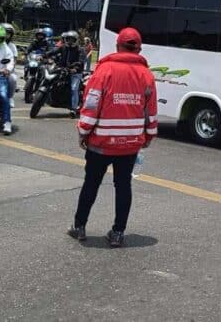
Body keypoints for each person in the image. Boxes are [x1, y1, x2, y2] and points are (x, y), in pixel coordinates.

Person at [67, 27, 158, 247]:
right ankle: (118, 233)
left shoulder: (104, 70)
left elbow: (91, 103)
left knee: (91, 184)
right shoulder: (147, 75)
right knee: (123, 186)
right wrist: (149, 135)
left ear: (117, 45)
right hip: (129, 145)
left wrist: (83, 131)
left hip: (101, 142)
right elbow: (151, 111)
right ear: (139, 48)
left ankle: (79, 227)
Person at [46, 31, 85, 117]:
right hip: (62, 69)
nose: (70, 41)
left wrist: (75, 68)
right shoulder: (63, 47)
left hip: (75, 72)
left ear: (76, 40)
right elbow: (54, 51)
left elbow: (81, 61)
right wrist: (44, 55)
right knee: (50, 77)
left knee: (74, 88)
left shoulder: (80, 50)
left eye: (72, 40)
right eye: (68, 39)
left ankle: (74, 109)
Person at [0, 25, 14, 135]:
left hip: (0, 76)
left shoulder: (6, 48)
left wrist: (7, 69)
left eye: (1, 38)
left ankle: (7, 122)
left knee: (4, 96)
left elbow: (10, 61)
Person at [1, 23, 18, 108]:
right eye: (4, 33)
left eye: (8, 34)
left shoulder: (12, 46)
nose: (6, 36)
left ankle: (10, 97)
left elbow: (14, 60)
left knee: (13, 79)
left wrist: (8, 70)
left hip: (7, 71)